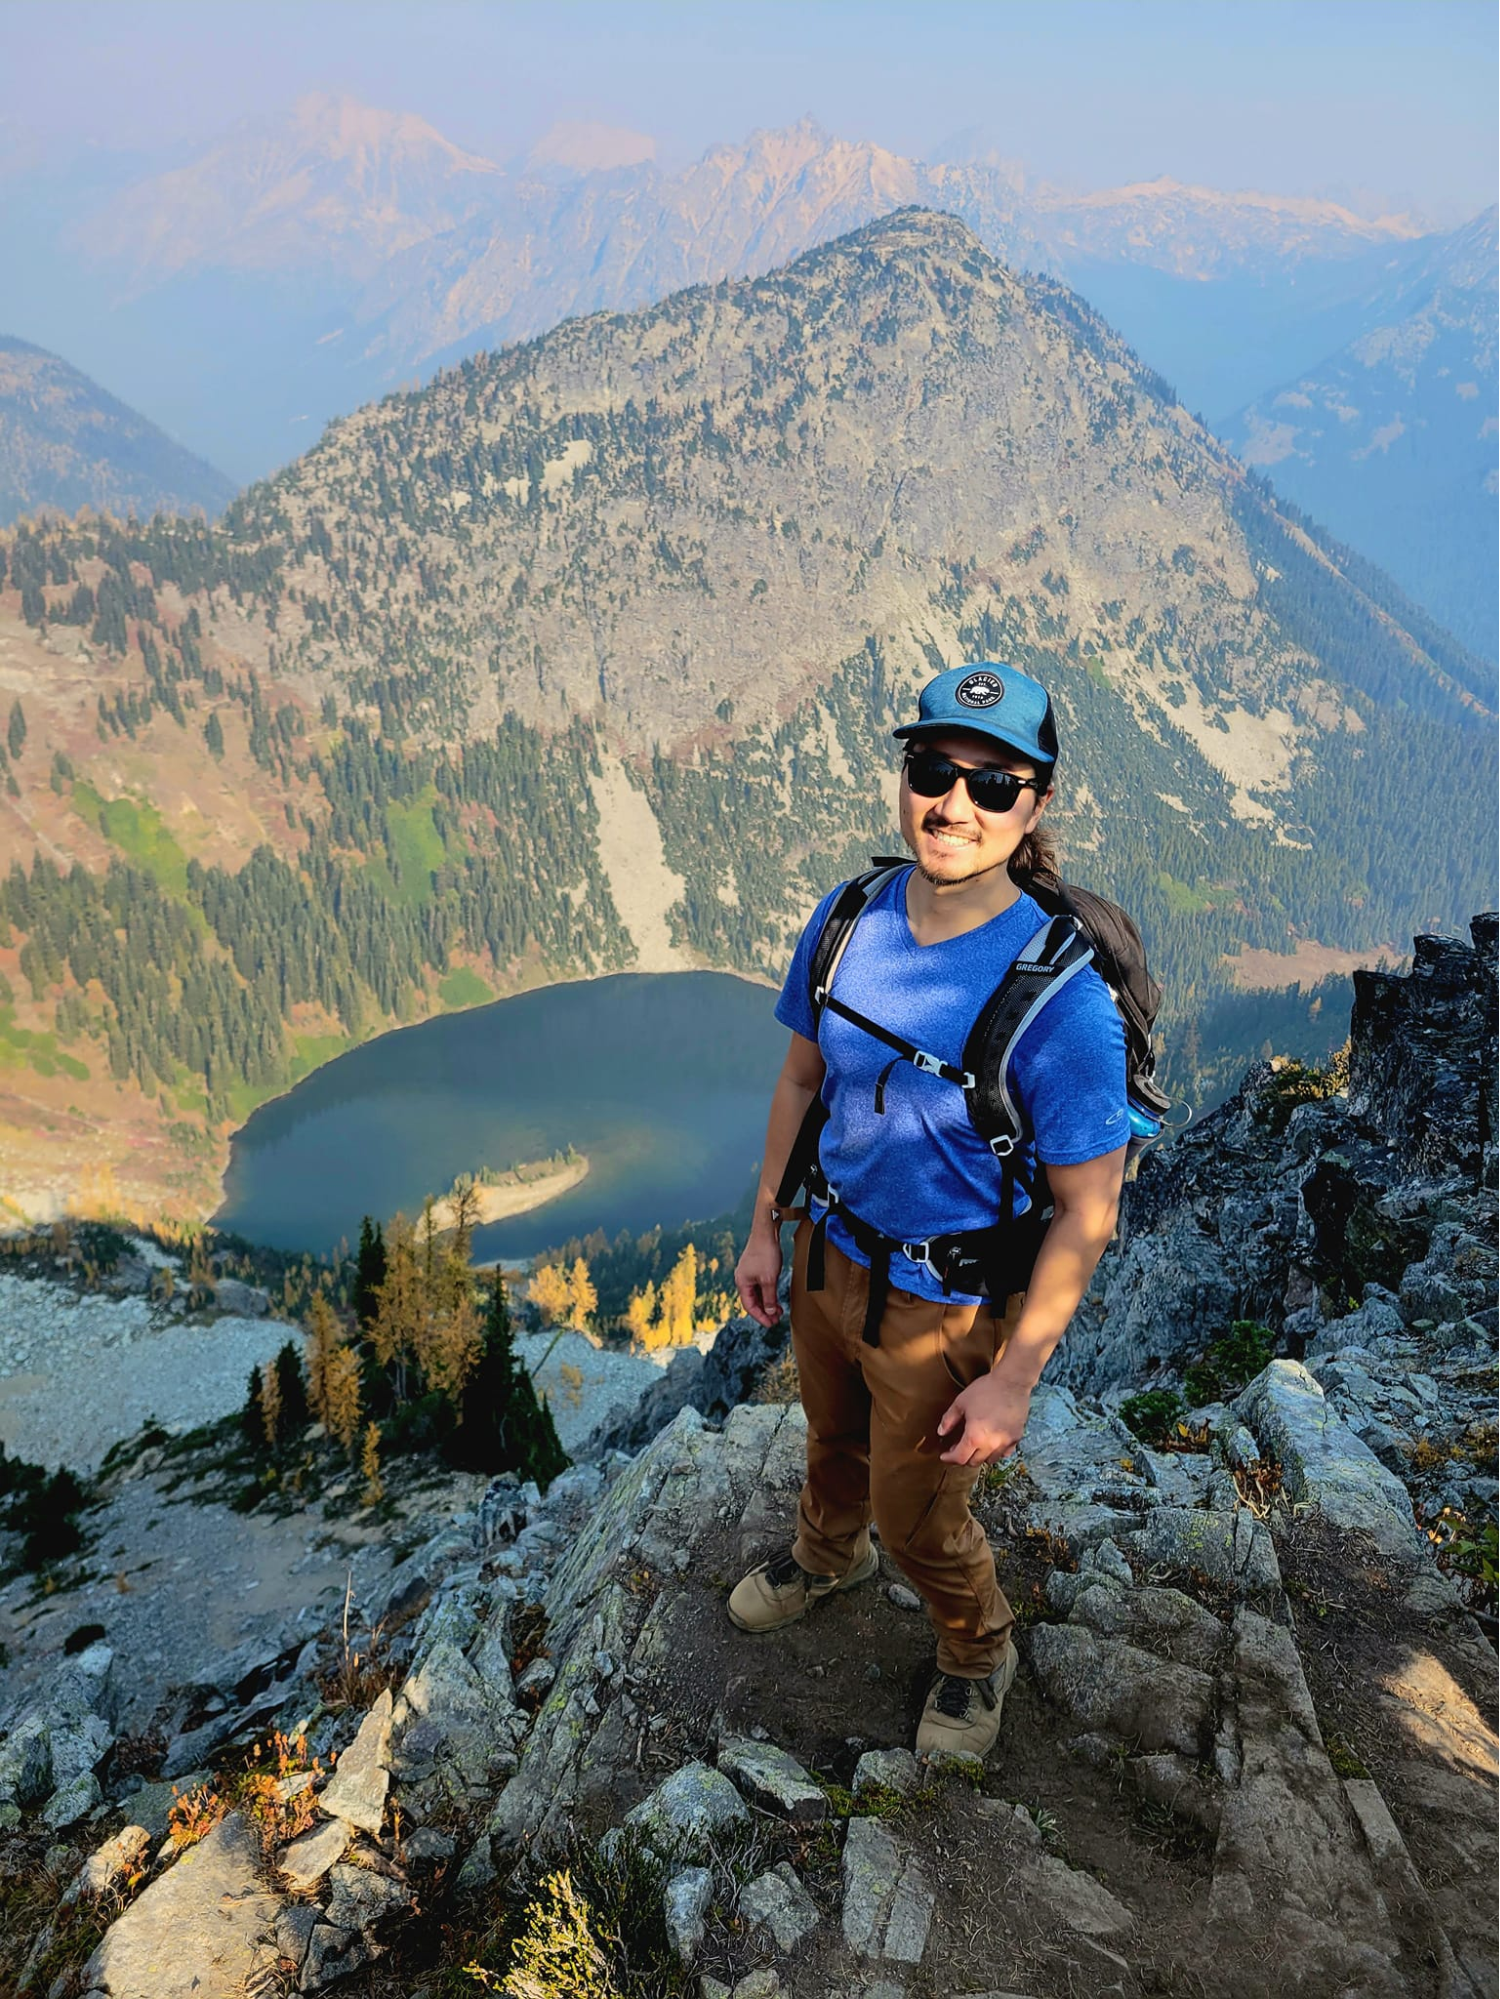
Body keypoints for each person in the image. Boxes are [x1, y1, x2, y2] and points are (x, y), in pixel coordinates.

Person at [728, 661, 1129, 1760]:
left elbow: (1087, 1209)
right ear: (906, 775)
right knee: (830, 1436)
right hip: (829, 1250)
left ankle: (974, 1646)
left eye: (993, 785)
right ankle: (825, 1555)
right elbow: (803, 1079)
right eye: (932, 769)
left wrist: (1013, 1375)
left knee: (920, 1511)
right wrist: (767, 1226)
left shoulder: (1065, 1005)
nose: (954, 802)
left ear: (1037, 803)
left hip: (948, 1302)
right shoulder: (851, 915)